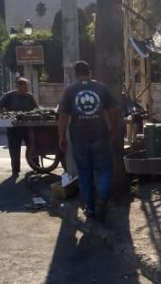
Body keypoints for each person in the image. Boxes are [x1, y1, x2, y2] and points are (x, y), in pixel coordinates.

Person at [58, 61, 119, 220]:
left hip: (79, 138)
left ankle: (90, 208)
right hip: (100, 136)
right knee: (104, 170)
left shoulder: (70, 90)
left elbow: (63, 116)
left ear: (75, 74)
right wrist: (113, 129)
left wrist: (61, 136)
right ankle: (102, 198)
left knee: (85, 173)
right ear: (89, 72)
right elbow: (113, 110)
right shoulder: (102, 88)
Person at [0, 77, 39, 177]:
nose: (26, 89)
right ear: (18, 87)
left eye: (27, 87)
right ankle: (15, 170)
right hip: (13, 127)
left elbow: (36, 108)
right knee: (14, 149)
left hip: (28, 126)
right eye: (24, 87)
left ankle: (36, 167)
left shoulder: (29, 97)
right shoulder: (9, 96)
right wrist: (5, 115)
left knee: (32, 146)